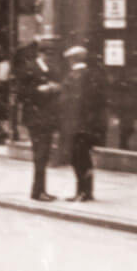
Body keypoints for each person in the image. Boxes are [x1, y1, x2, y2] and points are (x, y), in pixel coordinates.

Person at [62, 45, 107, 202]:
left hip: (80, 125)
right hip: (83, 124)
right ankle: (84, 191)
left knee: (79, 158)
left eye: (70, 58)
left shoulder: (80, 76)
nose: (69, 61)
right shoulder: (86, 75)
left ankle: (84, 191)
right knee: (81, 157)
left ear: (74, 59)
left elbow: (80, 101)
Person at [17, 43, 62, 201]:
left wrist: (55, 88)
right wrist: (39, 91)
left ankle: (42, 190)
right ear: (40, 54)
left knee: (44, 155)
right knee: (40, 154)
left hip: (47, 118)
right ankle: (37, 192)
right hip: (35, 118)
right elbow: (21, 94)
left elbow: (58, 88)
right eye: (47, 55)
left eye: (52, 55)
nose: (49, 58)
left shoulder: (51, 70)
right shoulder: (29, 69)